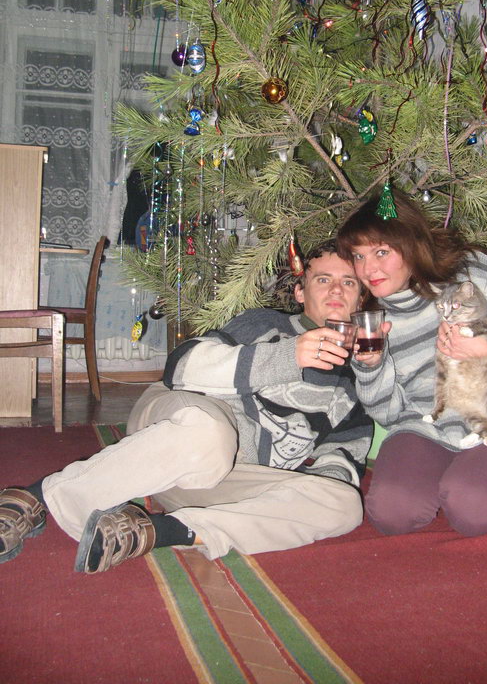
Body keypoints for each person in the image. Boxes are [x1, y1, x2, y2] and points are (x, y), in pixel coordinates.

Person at [0, 242, 372, 572]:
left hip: (222, 480)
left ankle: (158, 530)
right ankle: (35, 499)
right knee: (209, 436)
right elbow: (180, 368)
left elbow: (339, 463)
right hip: (178, 430)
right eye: (323, 279)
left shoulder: (356, 383)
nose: (336, 289)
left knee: (344, 505)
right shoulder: (268, 324)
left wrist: (297, 490)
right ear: (300, 291)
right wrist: (289, 356)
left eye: (349, 282)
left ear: (360, 300)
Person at [336, 189, 487, 537]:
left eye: (381, 252)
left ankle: (484, 472)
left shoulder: (473, 273)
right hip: (426, 426)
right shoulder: (373, 319)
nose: (368, 269)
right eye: (358, 256)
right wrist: (371, 367)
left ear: (411, 244)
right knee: (393, 513)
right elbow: (388, 414)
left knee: (474, 509)